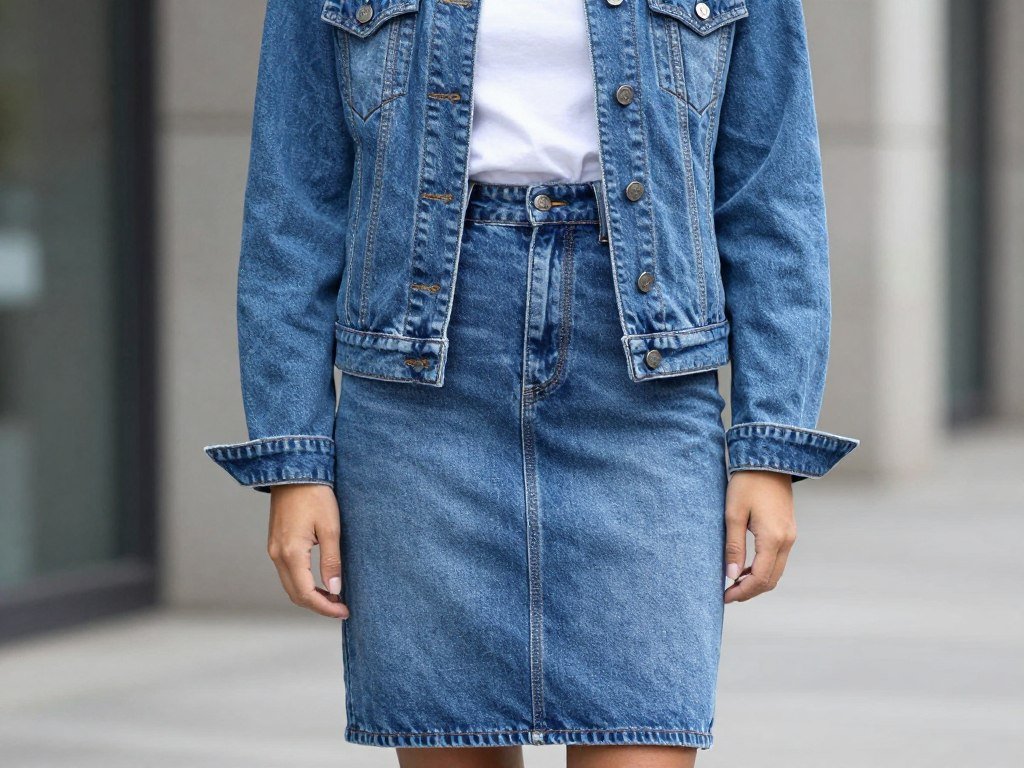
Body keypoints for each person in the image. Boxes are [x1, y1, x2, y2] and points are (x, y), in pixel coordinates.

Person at [204, 1, 859, 766]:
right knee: (454, 743)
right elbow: (292, 209)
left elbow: (773, 198)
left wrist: (768, 445)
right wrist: (297, 464)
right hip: (421, 389)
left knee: (644, 735)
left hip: (643, 385)